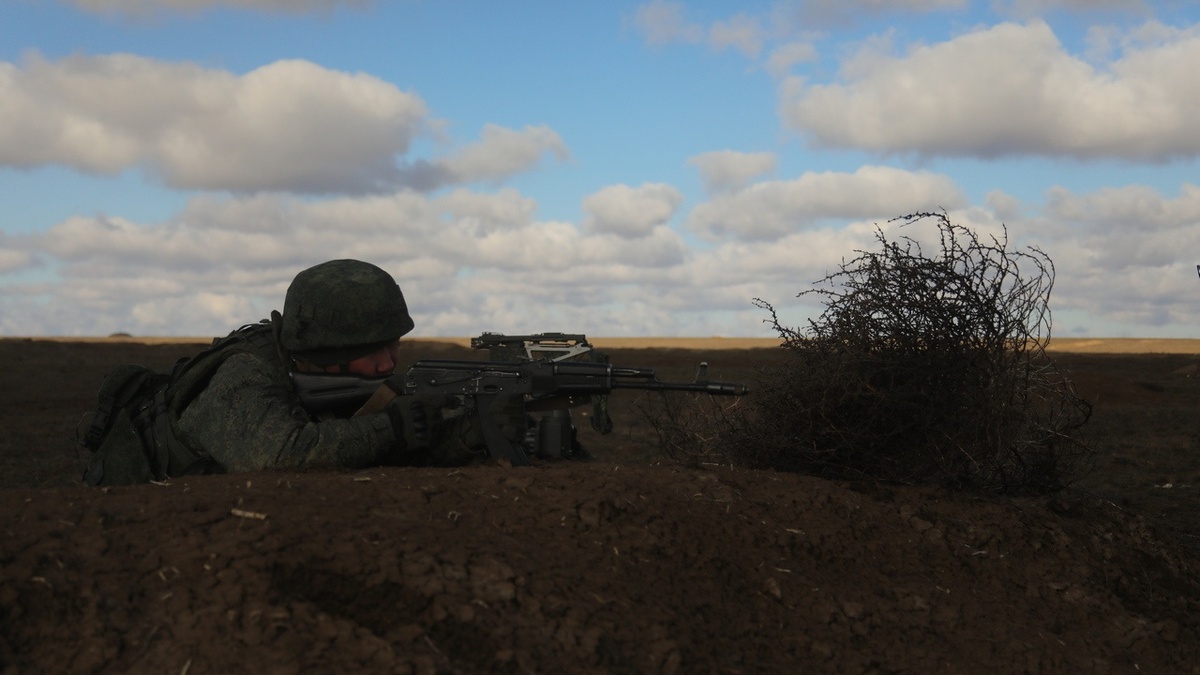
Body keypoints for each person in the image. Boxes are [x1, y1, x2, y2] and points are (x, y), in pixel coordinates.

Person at [83, 259, 490, 485]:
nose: (388, 364)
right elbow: (279, 458)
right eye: (372, 352)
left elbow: (391, 448)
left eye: (394, 344)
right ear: (324, 351)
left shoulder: (333, 376)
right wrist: (392, 428)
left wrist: (472, 432)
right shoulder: (243, 376)